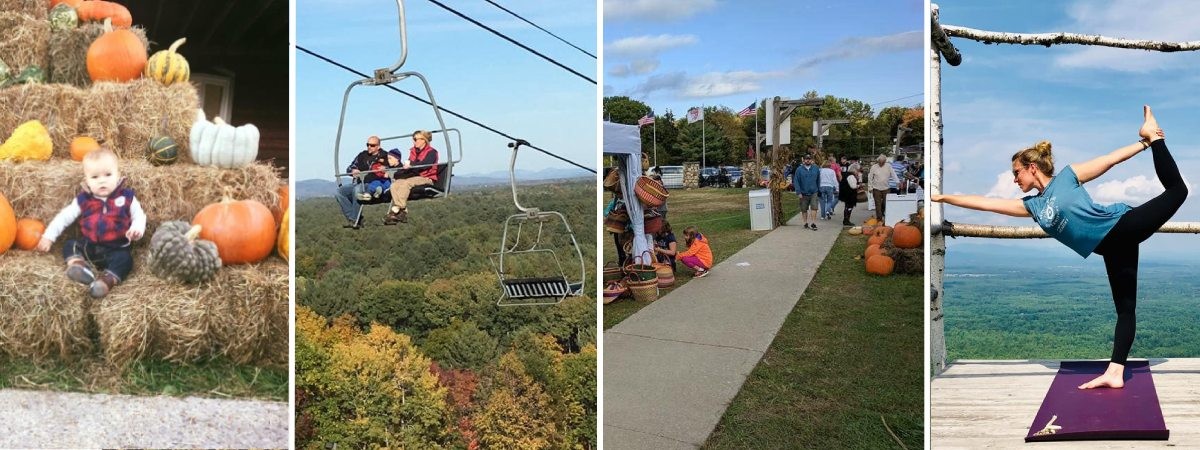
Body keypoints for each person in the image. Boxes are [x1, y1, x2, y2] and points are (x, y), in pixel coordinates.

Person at [933, 106, 1178, 390]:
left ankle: (1155, 135)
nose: (1014, 180)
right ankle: (1115, 372)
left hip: (1121, 226)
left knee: (1177, 191)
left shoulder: (1068, 177)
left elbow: (1110, 160)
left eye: (1016, 173)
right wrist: (945, 197)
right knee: (1125, 310)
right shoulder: (1032, 206)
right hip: (1112, 249)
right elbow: (986, 203)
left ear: (1032, 168)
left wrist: (1144, 143)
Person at [37, 148, 145, 298]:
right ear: (86, 180)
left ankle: (106, 281)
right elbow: (64, 217)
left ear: (118, 175)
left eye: (108, 175)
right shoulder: (84, 199)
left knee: (125, 260)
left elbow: (139, 216)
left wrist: (137, 229)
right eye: (95, 177)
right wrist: (48, 236)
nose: (102, 180)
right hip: (90, 247)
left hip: (116, 249)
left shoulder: (127, 197)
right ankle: (78, 266)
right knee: (71, 245)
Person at [384, 130, 439, 225]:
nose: (414, 142)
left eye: (415, 139)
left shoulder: (432, 152)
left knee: (406, 183)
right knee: (395, 185)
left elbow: (425, 165)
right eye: (413, 139)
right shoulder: (413, 151)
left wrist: (411, 165)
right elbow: (411, 165)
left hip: (426, 177)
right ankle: (403, 210)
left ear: (423, 140)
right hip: (414, 176)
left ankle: (397, 209)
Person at [336, 135, 386, 228]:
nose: (369, 147)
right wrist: (353, 171)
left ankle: (355, 219)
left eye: (372, 145)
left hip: (372, 183)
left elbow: (394, 166)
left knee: (357, 191)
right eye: (368, 145)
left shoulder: (385, 156)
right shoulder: (362, 155)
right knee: (339, 192)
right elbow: (350, 167)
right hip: (359, 182)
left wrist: (385, 169)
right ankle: (353, 217)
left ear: (378, 146)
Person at [792, 154, 821, 230]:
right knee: (804, 209)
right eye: (806, 159)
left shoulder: (816, 168)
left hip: (814, 191)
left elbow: (818, 180)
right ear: (803, 160)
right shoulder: (799, 169)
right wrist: (798, 192)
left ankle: (813, 223)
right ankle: (805, 222)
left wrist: (819, 190)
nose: (807, 160)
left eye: (809, 159)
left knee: (814, 207)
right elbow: (796, 181)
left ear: (811, 160)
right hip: (803, 192)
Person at [867, 154, 896, 222]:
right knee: (878, 204)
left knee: (886, 203)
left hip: (886, 188)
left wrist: (898, 182)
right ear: (878, 161)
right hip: (876, 188)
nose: (881, 164)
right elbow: (870, 177)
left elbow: (893, 174)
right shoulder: (874, 167)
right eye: (880, 162)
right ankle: (879, 219)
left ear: (885, 161)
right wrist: (870, 187)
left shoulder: (888, 166)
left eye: (883, 162)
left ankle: (886, 216)